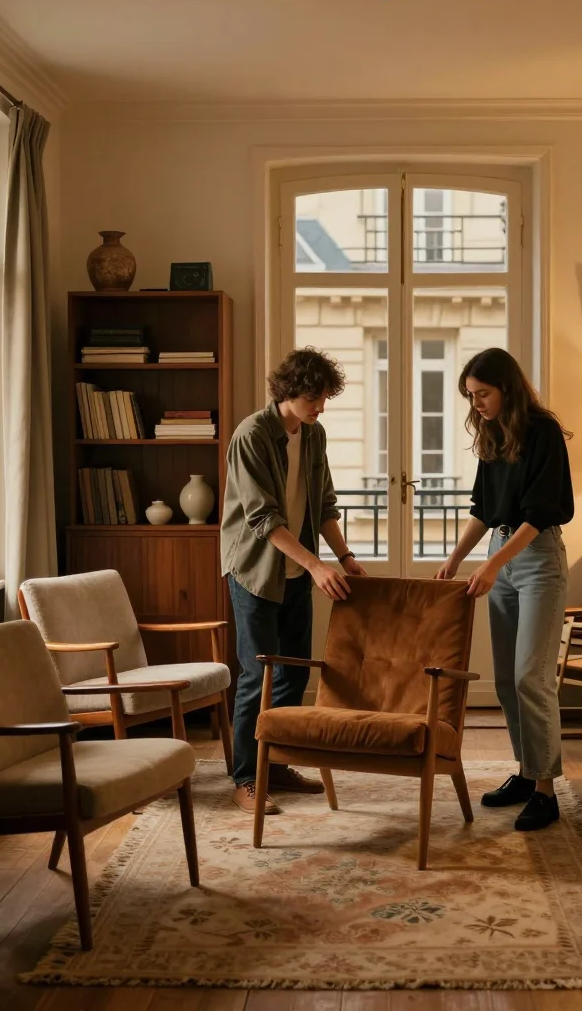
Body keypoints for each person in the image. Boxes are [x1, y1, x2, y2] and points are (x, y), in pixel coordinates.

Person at [221, 347, 366, 814]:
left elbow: (323, 503)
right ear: (287, 392)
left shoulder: (314, 435)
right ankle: (246, 778)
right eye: (313, 398)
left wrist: (342, 557)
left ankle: (276, 767)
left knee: (294, 673)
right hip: (255, 572)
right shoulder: (251, 435)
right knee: (257, 675)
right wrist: (316, 566)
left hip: (299, 571)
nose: (320, 407)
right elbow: (263, 519)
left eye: (324, 398)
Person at [436, 348, 573, 831]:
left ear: (506, 388)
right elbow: (483, 507)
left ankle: (545, 790)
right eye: (471, 397)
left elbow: (539, 513)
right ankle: (524, 771)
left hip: (536, 559)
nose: (476, 405)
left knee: (529, 678)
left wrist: (494, 564)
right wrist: (455, 558)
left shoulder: (544, 431)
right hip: (503, 551)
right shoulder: (493, 433)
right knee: (502, 680)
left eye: (482, 394)